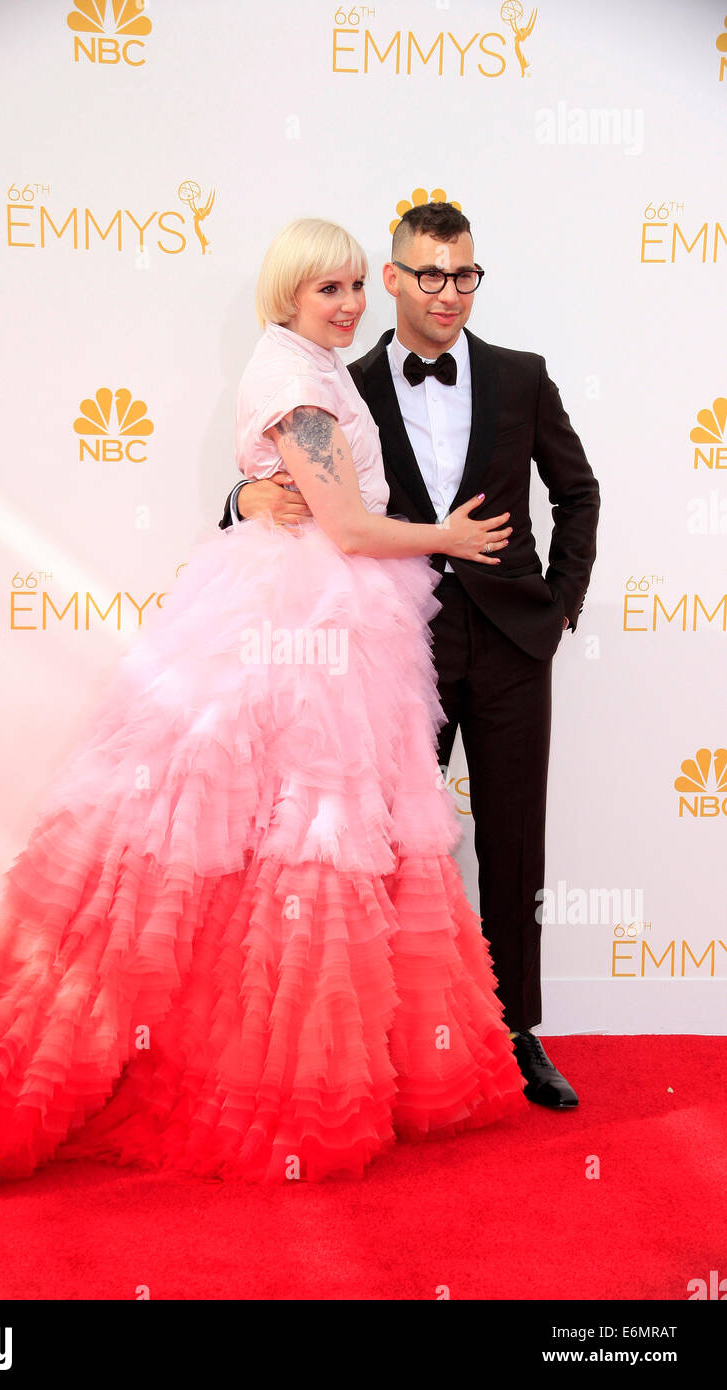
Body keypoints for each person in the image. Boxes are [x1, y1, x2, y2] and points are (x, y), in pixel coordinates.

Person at [0, 218, 526, 1226]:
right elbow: (345, 526)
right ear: (286, 297)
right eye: (325, 291)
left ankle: (252, 1061)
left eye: (354, 285)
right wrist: (449, 538)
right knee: (287, 831)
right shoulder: (294, 374)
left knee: (287, 841)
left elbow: (312, 497)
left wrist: (260, 495)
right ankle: (259, 1082)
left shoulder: (312, 364)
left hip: (326, 614)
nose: (347, 304)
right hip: (300, 616)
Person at [222, 203, 600, 1108]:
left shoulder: (521, 377)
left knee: (513, 843)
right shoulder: (339, 382)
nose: (448, 292)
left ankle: (515, 1035)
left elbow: (578, 492)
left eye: (464, 274)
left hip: (512, 643)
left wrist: (558, 610)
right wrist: (242, 498)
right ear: (393, 279)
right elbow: (288, 488)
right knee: (385, 849)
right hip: (396, 650)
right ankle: (388, 1041)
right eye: (428, 274)